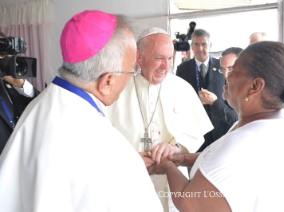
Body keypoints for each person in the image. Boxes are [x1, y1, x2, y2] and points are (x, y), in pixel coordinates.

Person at [0, 10, 163, 212]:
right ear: (107, 81)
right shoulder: (115, 155)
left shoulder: (37, 106)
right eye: (132, 71)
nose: (133, 77)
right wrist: (126, 164)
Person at [148, 41, 284, 212]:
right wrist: (182, 159)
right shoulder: (277, 119)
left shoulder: (242, 143)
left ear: (255, 86)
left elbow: (188, 202)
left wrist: (167, 166)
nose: (227, 76)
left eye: (234, 71)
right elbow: (221, 162)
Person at [105, 27, 212, 212]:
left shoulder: (181, 87)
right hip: (129, 182)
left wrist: (176, 147)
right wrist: (128, 158)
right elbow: (100, 140)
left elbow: (196, 134)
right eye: (159, 58)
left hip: (171, 185)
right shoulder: (116, 89)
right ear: (139, 57)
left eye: (169, 58)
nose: (166, 66)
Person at [176, 29, 226, 152]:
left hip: (219, 126)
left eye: (204, 44)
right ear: (191, 46)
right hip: (194, 128)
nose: (200, 49)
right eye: (196, 44)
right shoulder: (182, 69)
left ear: (210, 46)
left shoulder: (222, 66)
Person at [0, 31, 40, 154]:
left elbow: (38, 109)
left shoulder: (8, 82)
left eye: (5, 54)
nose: (3, 58)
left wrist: (20, 85)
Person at [199, 47, 242, 132]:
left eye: (230, 69)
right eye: (223, 69)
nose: (226, 75)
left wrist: (214, 102)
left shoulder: (250, 90)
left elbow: (238, 120)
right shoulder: (227, 82)